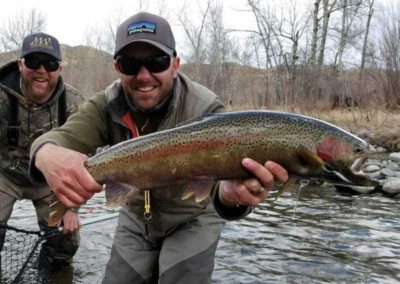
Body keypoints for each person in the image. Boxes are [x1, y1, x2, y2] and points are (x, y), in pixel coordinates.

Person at [29, 12, 288, 283]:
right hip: (136, 216)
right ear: (118, 68)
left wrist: (229, 197)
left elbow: (226, 195)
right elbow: (55, 139)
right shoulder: (106, 104)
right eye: (130, 64)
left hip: (194, 216)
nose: (144, 75)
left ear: (175, 64)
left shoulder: (207, 109)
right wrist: (46, 154)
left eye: (157, 62)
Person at [0, 32, 83, 266]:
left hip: (50, 181)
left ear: (60, 69)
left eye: (50, 64)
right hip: (5, 175)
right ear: (20, 64)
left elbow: (86, 159)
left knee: (66, 241)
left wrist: (71, 206)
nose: (42, 71)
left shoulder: (74, 104)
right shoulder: (1, 97)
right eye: (33, 62)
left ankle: (52, 268)